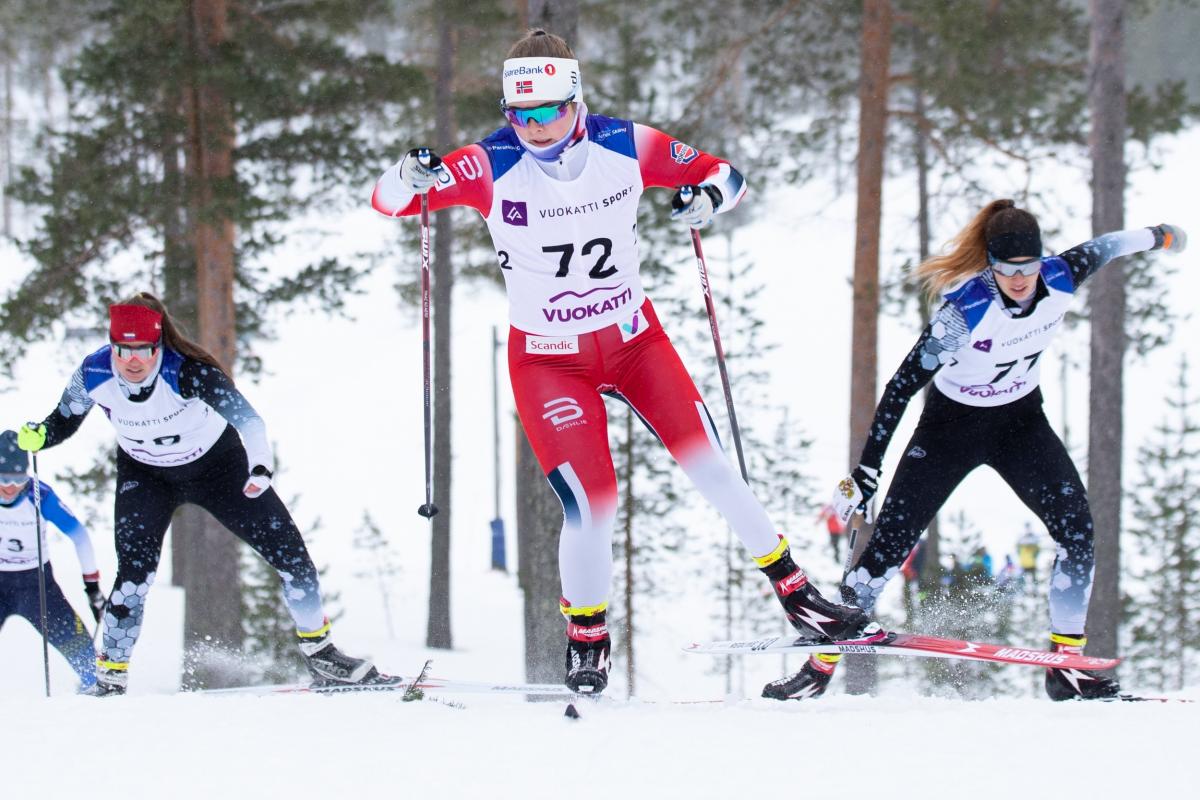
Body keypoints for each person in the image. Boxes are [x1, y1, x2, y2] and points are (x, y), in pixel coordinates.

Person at [373, 29, 875, 694]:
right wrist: (406, 174)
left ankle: (799, 596)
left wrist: (707, 199)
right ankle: (587, 639)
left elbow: (727, 175)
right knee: (593, 504)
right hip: (550, 361)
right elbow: (392, 201)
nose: (536, 127)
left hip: (635, 342)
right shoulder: (489, 164)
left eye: (549, 111)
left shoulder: (623, 144)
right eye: (520, 115)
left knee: (712, 467)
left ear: (576, 100)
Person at [763, 199, 1186, 702]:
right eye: (1008, 269)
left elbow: (1111, 246)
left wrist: (1160, 235)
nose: (1021, 279)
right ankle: (820, 665)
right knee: (882, 555)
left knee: (1078, 534)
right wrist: (868, 470)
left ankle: (1066, 666)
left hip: (1020, 424)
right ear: (991, 265)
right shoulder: (963, 312)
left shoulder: (1062, 274)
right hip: (949, 430)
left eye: (1028, 267)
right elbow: (900, 387)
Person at [16, 293, 391, 695]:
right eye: (123, 350)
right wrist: (41, 434)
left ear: (158, 345)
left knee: (292, 557)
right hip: (145, 476)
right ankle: (110, 676)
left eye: (144, 350)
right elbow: (63, 419)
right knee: (133, 579)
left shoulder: (188, 372)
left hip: (219, 469)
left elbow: (250, 421)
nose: (133, 361)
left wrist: (260, 466)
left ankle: (322, 656)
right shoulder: (93, 373)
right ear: (112, 345)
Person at [0, 430, 103, 691]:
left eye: (18, 479)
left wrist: (92, 587)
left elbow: (79, 536)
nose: (10, 487)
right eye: (3, 479)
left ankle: (97, 705)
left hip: (36, 585)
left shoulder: (39, 495)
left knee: (88, 661)